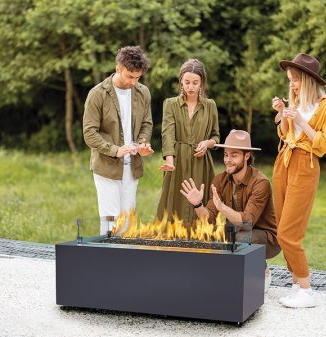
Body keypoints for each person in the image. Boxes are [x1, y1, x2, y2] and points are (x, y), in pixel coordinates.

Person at [271, 53, 326, 308]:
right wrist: (283, 115)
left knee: (290, 232)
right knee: (281, 231)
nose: (292, 85)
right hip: (284, 161)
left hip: (305, 164)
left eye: (296, 80)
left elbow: (324, 145)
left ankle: (307, 289)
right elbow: (286, 133)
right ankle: (296, 284)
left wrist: (300, 121)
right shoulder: (296, 101)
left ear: (309, 80)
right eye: (290, 80)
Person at [180, 130, 281, 292]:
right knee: (205, 232)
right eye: (226, 155)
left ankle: (263, 272)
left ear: (247, 156)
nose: (228, 160)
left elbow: (248, 221)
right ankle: (218, 276)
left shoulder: (260, 183)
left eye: (234, 155)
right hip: (233, 231)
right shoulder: (220, 180)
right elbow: (208, 219)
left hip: (265, 236)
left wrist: (223, 208)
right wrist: (197, 204)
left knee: (240, 236)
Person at [83, 46, 154, 235]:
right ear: (118, 68)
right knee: (110, 220)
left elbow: (147, 124)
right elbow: (89, 133)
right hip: (106, 166)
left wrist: (142, 144)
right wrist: (115, 150)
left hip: (132, 168)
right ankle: (106, 262)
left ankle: (125, 261)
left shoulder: (143, 92)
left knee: (128, 220)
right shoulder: (97, 94)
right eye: (129, 76)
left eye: (137, 77)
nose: (133, 82)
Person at [156, 59, 220, 226]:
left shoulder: (210, 106)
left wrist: (207, 143)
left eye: (195, 82)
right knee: (174, 204)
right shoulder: (170, 104)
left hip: (201, 162)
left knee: (200, 203)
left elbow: (216, 137)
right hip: (177, 162)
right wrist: (169, 161)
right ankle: (172, 243)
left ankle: (202, 244)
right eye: (187, 82)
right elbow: (167, 134)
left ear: (202, 83)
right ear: (181, 82)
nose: (190, 87)